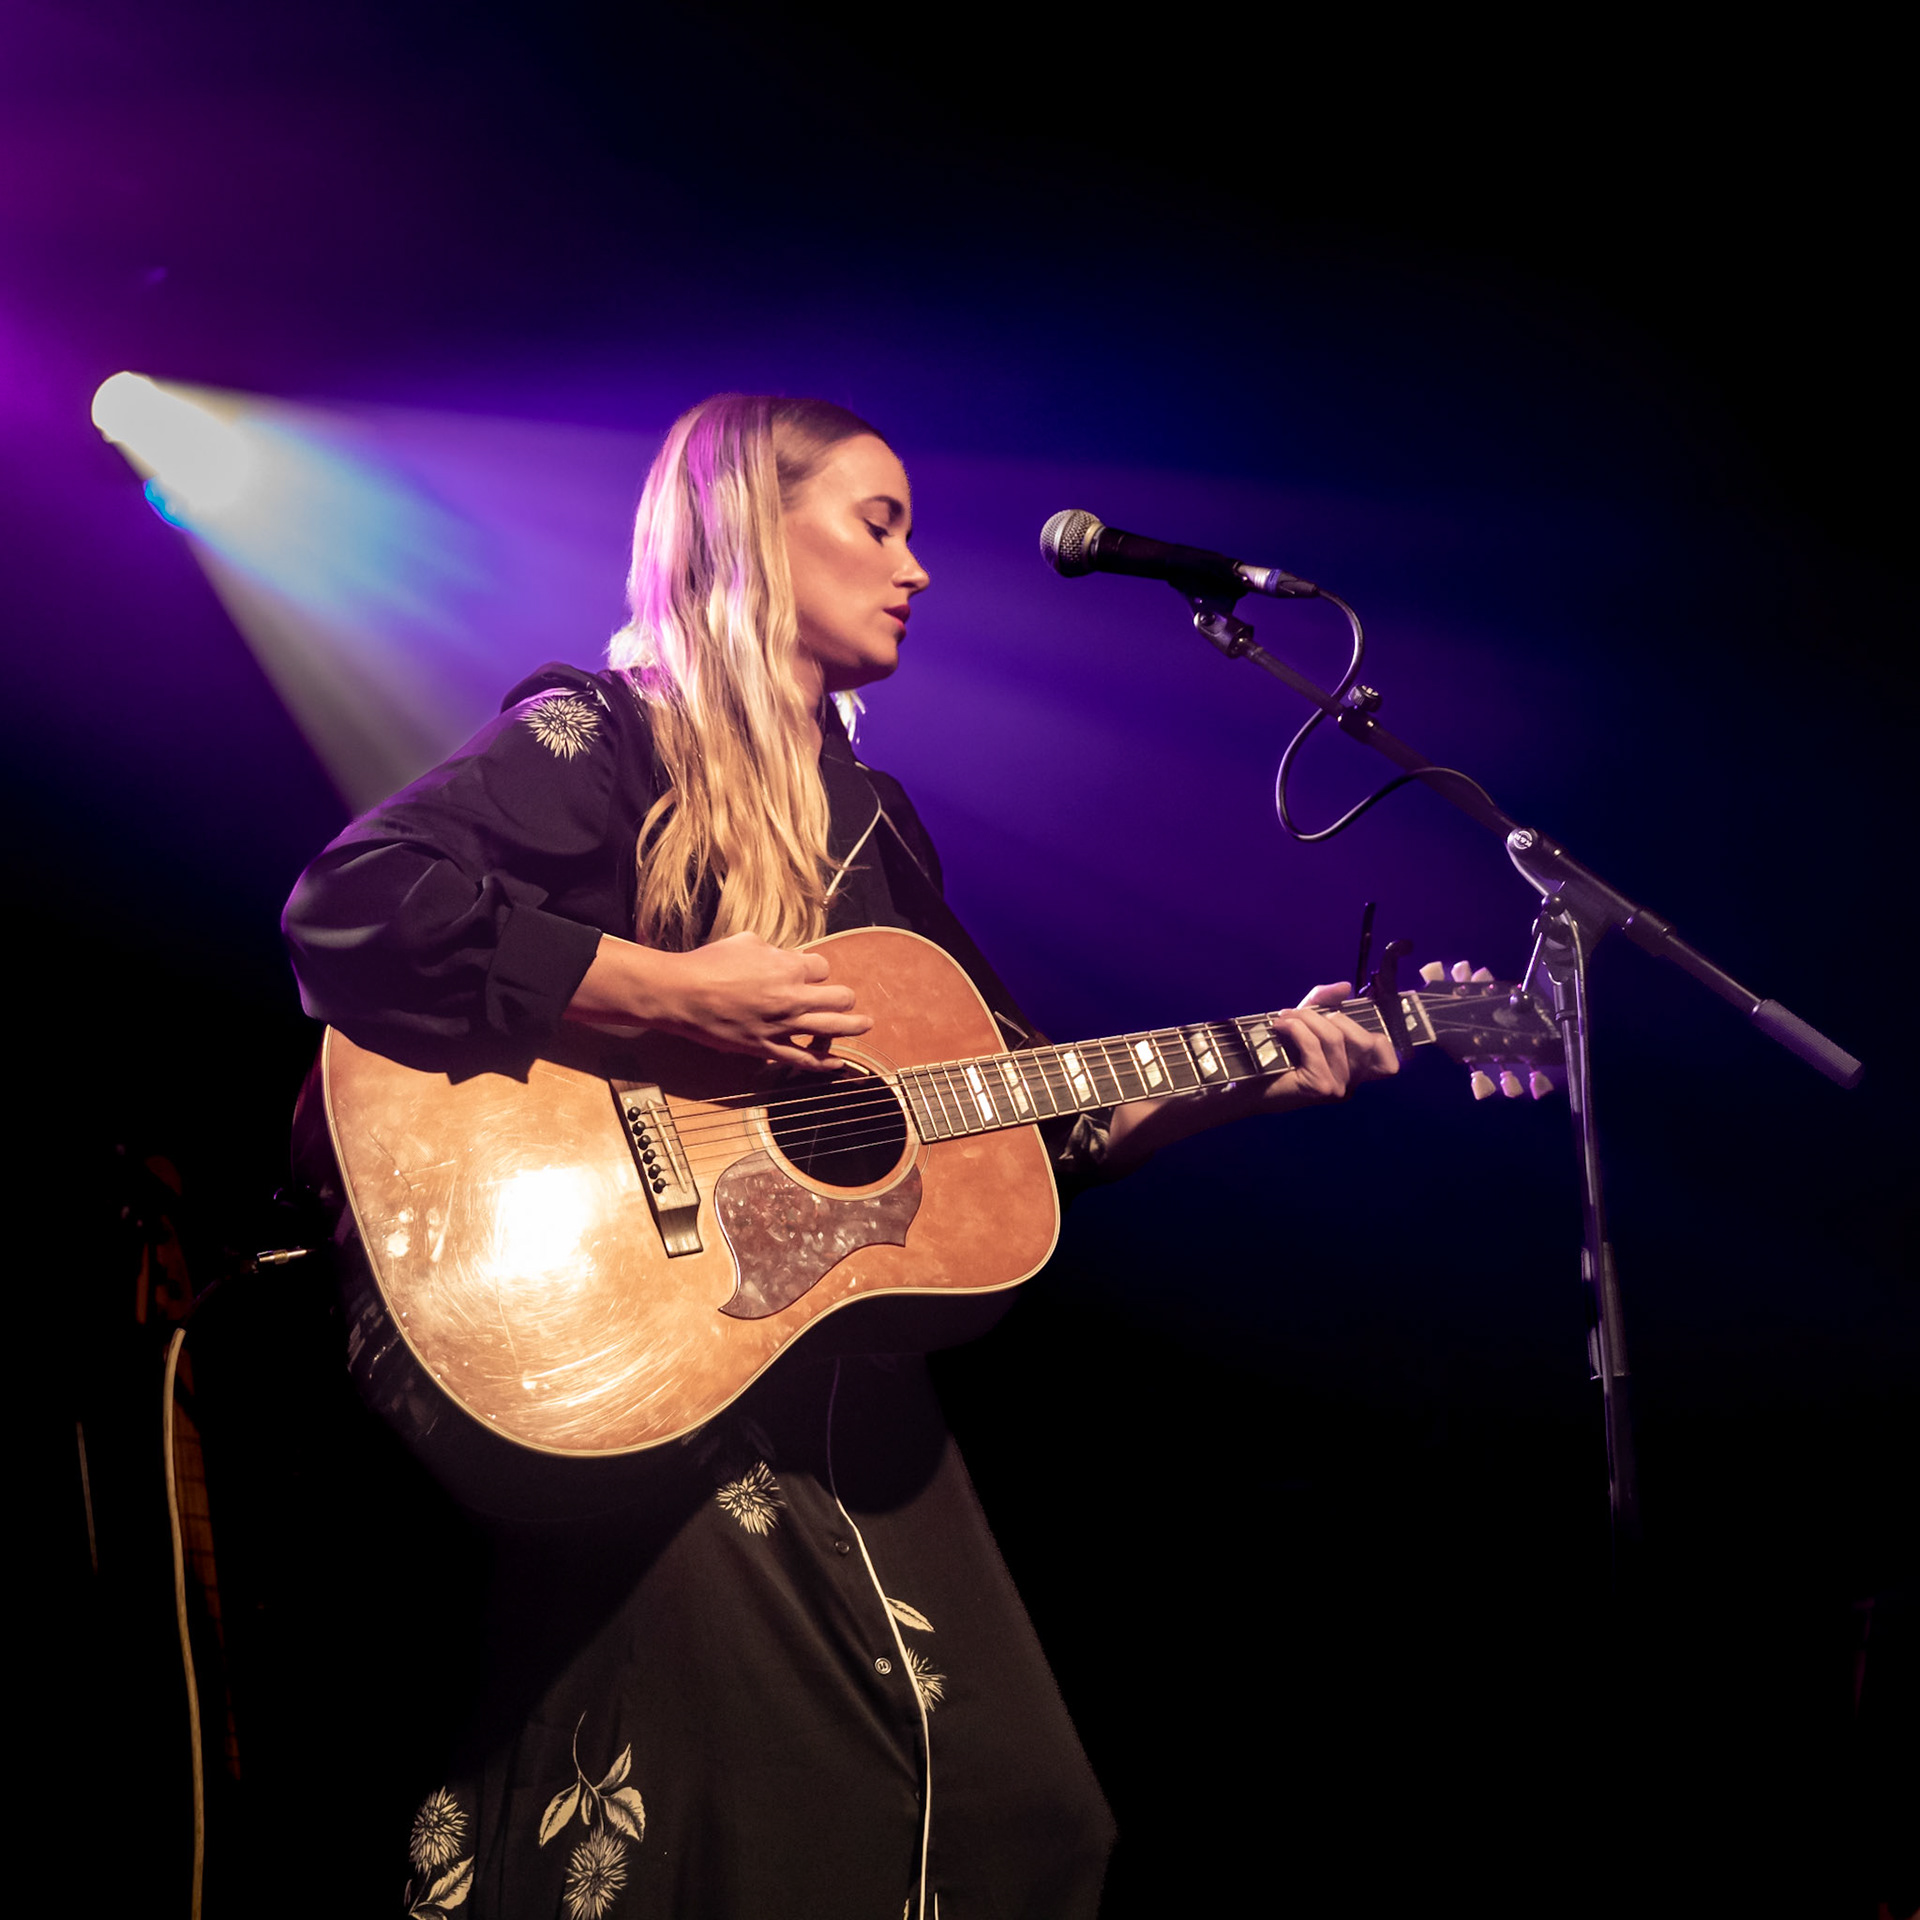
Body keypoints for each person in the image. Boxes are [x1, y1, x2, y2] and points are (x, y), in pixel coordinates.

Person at [282, 393, 1397, 1919]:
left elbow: (1031, 1119)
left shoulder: (875, 824)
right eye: (878, 522)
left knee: (1024, 1820)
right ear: (749, 528)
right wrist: (667, 990)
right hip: (619, 1327)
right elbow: (354, 911)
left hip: (819, 1377)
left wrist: (1253, 1071)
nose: (919, 567)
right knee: (785, 1801)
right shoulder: (602, 738)